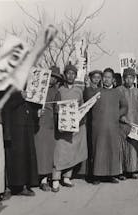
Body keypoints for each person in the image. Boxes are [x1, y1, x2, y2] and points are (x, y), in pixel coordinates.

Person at [52, 64, 88, 192]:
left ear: (76, 75)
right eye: (68, 73)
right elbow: (55, 107)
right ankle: (55, 179)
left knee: (73, 150)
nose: (71, 76)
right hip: (62, 125)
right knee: (60, 151)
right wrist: (57, 118)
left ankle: (67, 177)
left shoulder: (79, 90)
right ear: (65, 75)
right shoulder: (59, 90)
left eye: (73, 73)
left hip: (75, 124)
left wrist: (81, 119)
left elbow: (82, 106)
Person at [91, 68, 128, 184]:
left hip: (113, 126)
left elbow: (125, 106)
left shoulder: (118, 92)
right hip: (99, 126)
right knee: (99, 150)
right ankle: (97, 175)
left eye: (109, 77)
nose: (106, 79)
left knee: (112, 149)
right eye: (105, 77)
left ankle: (112, 174)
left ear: (113, 79)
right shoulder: (97, 91)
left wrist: (118, 114)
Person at [4, 90, 39, 196]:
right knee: (15, 159)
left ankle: (23, 186)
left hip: (27, 127)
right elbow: (6, 108)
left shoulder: (31, 86)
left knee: (25, 157)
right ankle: (12, 187)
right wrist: (21, 97)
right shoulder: (9, 87)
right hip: (14, 128)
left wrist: (37, 114)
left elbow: (31, 106)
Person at [34, 66, 62, 192]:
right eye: (51, 76)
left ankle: (51, 178)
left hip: (51, 125)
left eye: (55, 78)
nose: (52, 79)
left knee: (50, 153)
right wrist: (36, 111)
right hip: (38, 124)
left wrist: (59, 112)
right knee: (40, 153)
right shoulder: (37, 88)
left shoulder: (56, 92)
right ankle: (42, 180)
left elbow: (58, 109)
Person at [117, 68, 138, 179]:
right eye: (126, 77)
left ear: (134, 79)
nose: (129, 80)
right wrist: (120, 116)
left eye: (131, 77)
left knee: (133, 147)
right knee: (122, 147)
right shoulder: (119, 90)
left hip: (135, 123)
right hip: (122, 124)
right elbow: (115, 105)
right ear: (123, 78)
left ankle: (133, 170)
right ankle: (121, 171)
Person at [83, 70, 103, 181]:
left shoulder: (101, 89)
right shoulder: (87, 89)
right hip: (89, 120)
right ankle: (90, 173)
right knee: (90, 146)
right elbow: (88, 98)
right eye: (94, 77)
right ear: (90, 78)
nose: (96, 79)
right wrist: (87, 86)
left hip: (99, 121)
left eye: (98, 77)